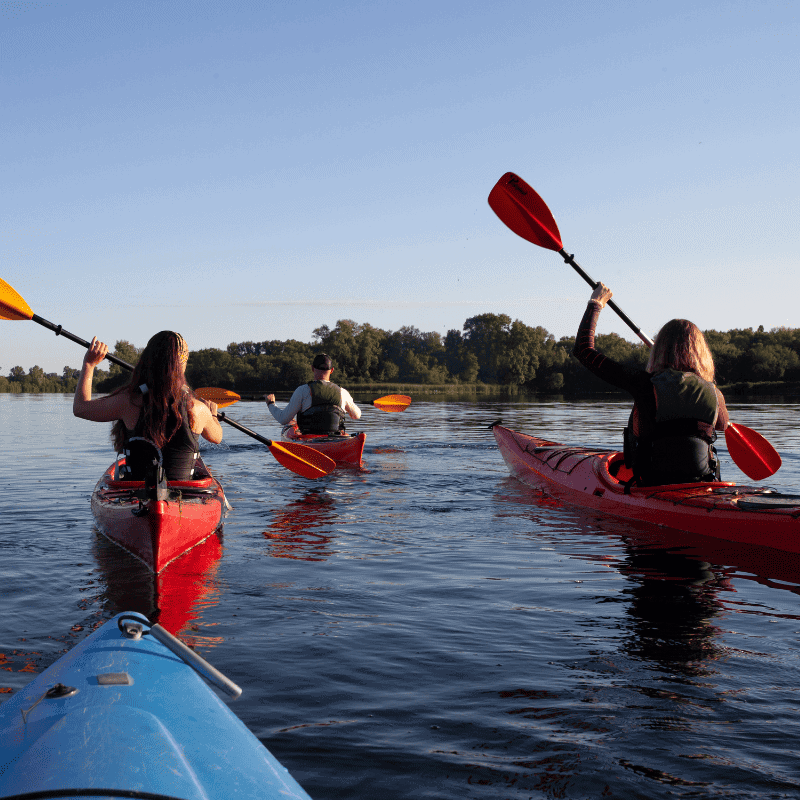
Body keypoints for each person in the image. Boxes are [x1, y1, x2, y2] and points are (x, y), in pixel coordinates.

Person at [573, 283, 729, 486]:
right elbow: (722, 425)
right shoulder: (714, 393)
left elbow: (583, 350)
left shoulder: (643, 384)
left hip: (652, 483)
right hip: (702, 483)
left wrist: (596, 303)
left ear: (659, 350)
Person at [73, 331, 222, 481]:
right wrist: (212, 415)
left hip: (136, 495)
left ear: (147, 360)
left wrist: (89, 364)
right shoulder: (197, 408)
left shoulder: (128, 401)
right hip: (184, 494)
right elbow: (217, 437)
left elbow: (80, 408)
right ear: (182, 364)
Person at [265, 353, 361, 436]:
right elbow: (357, 415)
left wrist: (271, 404)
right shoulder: (342, 392)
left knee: (291, 424)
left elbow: (283, 419)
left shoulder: (302, 390)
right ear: (332, 370)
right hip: (335, 439)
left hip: (308, 441)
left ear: (312, 368)